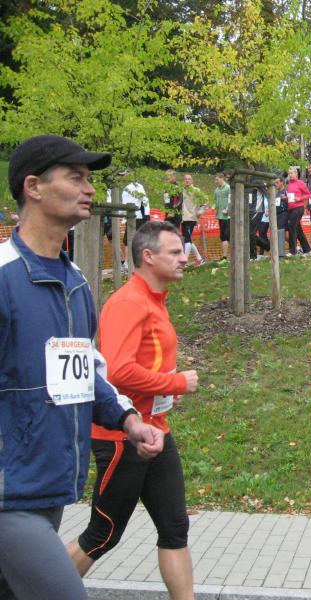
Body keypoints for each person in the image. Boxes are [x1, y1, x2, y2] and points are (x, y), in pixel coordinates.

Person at [0, 134, 164, 600]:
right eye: (76, 178)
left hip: (49, 488)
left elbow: (84, 372)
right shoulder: (3, 277)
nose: (90, 188)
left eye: (90, 179)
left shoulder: (74, 281)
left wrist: (128, 420)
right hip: (9, 497)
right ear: (34, 186)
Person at [67, 220, 198, 600]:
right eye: (175, 252)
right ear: (148, 256)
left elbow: (143, 366)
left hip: (157, 432)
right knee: (102, 534)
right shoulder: (128, 302)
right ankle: (29, 590)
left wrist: (165, 390)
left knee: (175, 528)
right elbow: (117, 371)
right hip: (122, 437)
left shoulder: (154, 300)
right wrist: (176, 383)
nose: (184, 258)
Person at [120, 172, 151, 270]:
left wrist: (146, 215)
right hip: (133, 216)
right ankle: (129, 261)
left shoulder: (136, 187)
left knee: (132, 239)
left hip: (136, 216)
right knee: (130, 240)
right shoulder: (128, 188)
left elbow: (144, 201)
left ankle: (130, 261)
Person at [286, 166, 311, 256]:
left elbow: (308, 195)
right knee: (298, 229)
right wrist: (285, 197)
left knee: (291, 227)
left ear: (296, 174)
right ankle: (307, 249)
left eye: (292, 173)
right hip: (290, 208)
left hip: (298, 207)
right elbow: (289, 197)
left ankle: (293, 251)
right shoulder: (289, 184)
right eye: (289, 173)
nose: (290, 175)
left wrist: (299, 198)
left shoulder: (300, 183)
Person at [181, 174, 205, 265]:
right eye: (185, 179)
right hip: (183, 218)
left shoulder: (196, 191)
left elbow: (204, 202)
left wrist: (201, 211)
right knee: (188, 239)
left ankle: (184, 262)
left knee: (187, 239)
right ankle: (199, 259)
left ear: (192, 181)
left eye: (189, 179)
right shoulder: (181, 190)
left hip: (191, 218)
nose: (187, 180)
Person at [213, 172, 230, 259]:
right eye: (215, 180)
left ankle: (225, 257)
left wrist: (227, 209)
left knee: (226, 236)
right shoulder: (216, 190)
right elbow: (215, 202)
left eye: (217, 180)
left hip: (228, 217)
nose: (215, 181)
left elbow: (231, 200)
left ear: (222, 178)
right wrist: (214, 208)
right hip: (220, 216)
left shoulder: (228, 188)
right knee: (223, 236)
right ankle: (225, 257)